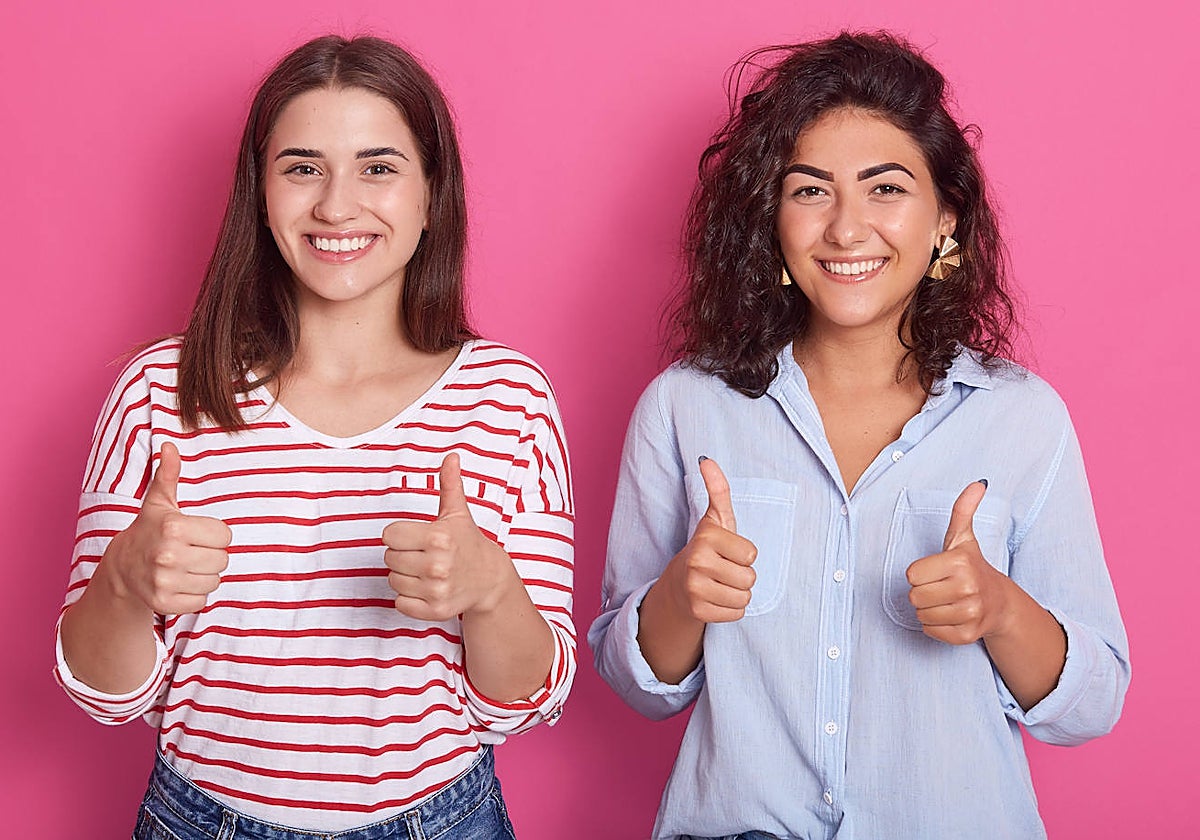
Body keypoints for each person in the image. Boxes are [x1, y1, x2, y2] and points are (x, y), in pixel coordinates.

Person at [589, 31, 1129, 840]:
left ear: (945, 217)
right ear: (771, 218)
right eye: (810, 191)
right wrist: (678, 597)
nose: (846, 228)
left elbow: (1091, 707)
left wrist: (1003, 611)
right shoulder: (683, 407)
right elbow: (640, 686)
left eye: (885, 189)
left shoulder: (1023, 418)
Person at [55, 35, 575, 839]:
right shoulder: (161, 389)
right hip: (200, 820)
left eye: (378, 167)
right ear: (259, 191)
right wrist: (123, 584)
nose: (337, 206)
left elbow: (528, 698)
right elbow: (100, 691)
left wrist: (491, 591)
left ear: (432, 193)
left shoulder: (507, 397)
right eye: (302, 167)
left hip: (441, 819)